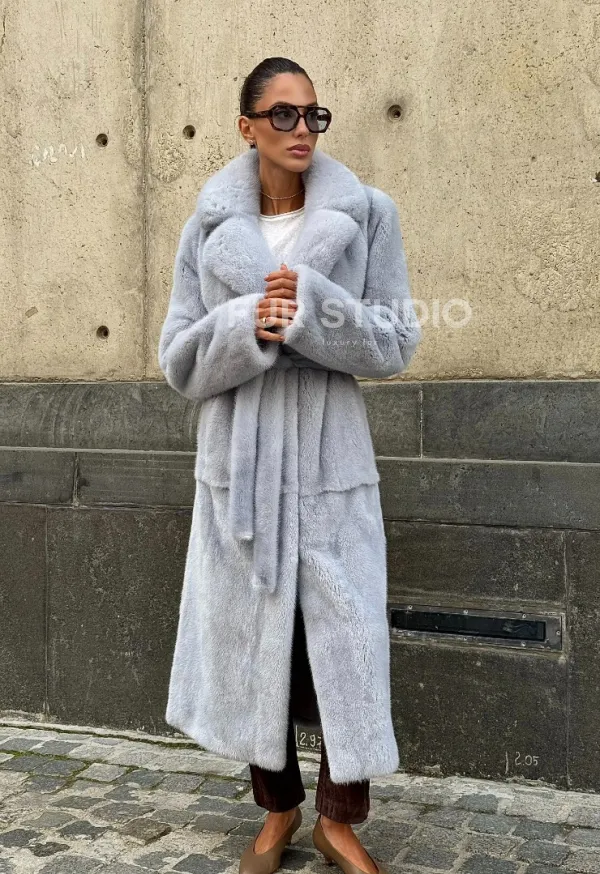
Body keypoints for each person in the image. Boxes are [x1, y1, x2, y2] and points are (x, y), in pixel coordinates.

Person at [158, 56, 421, 874]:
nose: (301, 128)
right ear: (247, 126)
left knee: (347, 647)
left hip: (331, 462)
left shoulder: (367, 215)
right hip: (239, 470)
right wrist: (249, 326)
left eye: (312, 114)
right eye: (282, 114)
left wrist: (310, 307)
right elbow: (178, 360)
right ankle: (278, 809)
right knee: (251, 642)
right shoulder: (206, 229)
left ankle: (340, 819)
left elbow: (394, 342)